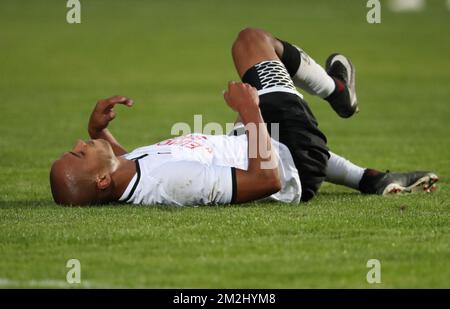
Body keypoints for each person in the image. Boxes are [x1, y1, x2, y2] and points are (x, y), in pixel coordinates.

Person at [50, 28, 438, 206]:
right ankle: (340, 92)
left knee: (246, 97)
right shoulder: (174, 183)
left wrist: (99, 132)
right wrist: (250, 110)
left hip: (262, 142)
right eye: (80, 153)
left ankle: (368, 179)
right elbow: (265, 180)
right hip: (288, 152)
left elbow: (138, 166)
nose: (79, 144)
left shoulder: (127, 177)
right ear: (101, 179)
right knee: (251, 41)